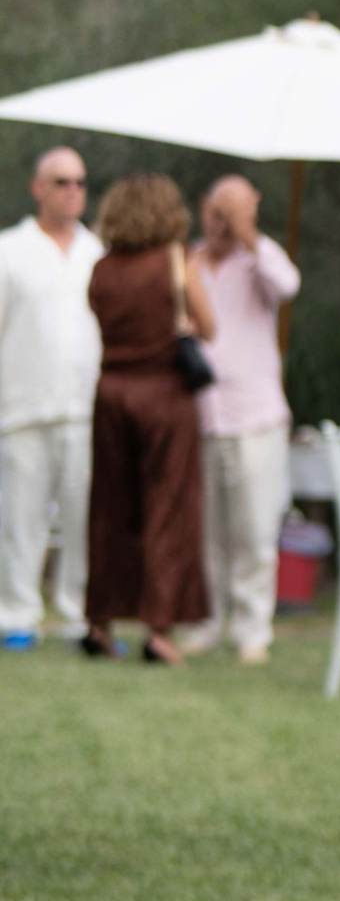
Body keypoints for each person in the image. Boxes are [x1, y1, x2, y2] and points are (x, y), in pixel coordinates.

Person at [85, 173, 214, 668]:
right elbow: (209, 326)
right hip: (164, 394)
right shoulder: (176, 262)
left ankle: (99, 621)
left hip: (112, 391)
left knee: (110, 508)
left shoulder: (100, 269)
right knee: (169, 508)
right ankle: (159, 631)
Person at [190, 176, 301, 664]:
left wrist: (248, 234)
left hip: (256, 417)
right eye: (216, 213)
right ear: (202, 212)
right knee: (207, 530)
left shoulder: (261, 260)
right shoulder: (189, 261)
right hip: (202, 416)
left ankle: (252, 627)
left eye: (231, 215)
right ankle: (207, 620)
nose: (221, 225)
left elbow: (289, 284)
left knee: (255, 530)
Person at [0, 146, 102, 648]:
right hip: (20, 408)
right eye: (62, 181)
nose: (73, 191)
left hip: (85, 410)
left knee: (84, 518)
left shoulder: (97, 252)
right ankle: (17, 615)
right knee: (21, 520)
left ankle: (79, 615)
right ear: (38, 187)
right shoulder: (9, 249)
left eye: (80, 182)